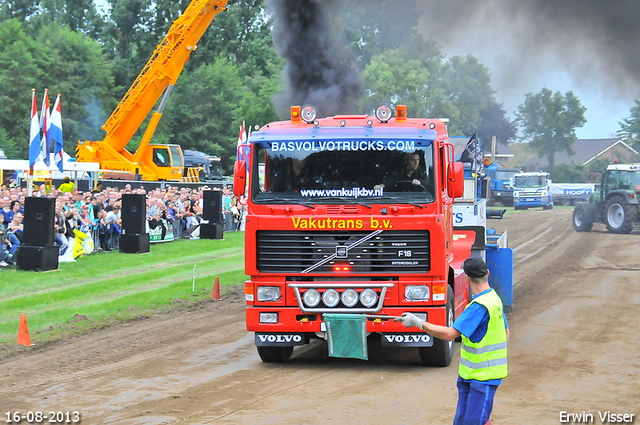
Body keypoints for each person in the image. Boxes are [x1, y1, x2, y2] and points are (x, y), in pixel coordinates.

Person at [394, 258, 508, 425]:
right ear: (487, 274)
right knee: (465, 421)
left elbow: (449, 334)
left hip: (482, 379)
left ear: (466, 277)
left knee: (474, 422)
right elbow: (506, 332)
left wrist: (417, 322)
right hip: (472, 376)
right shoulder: (494, 299)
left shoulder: (478, 307)